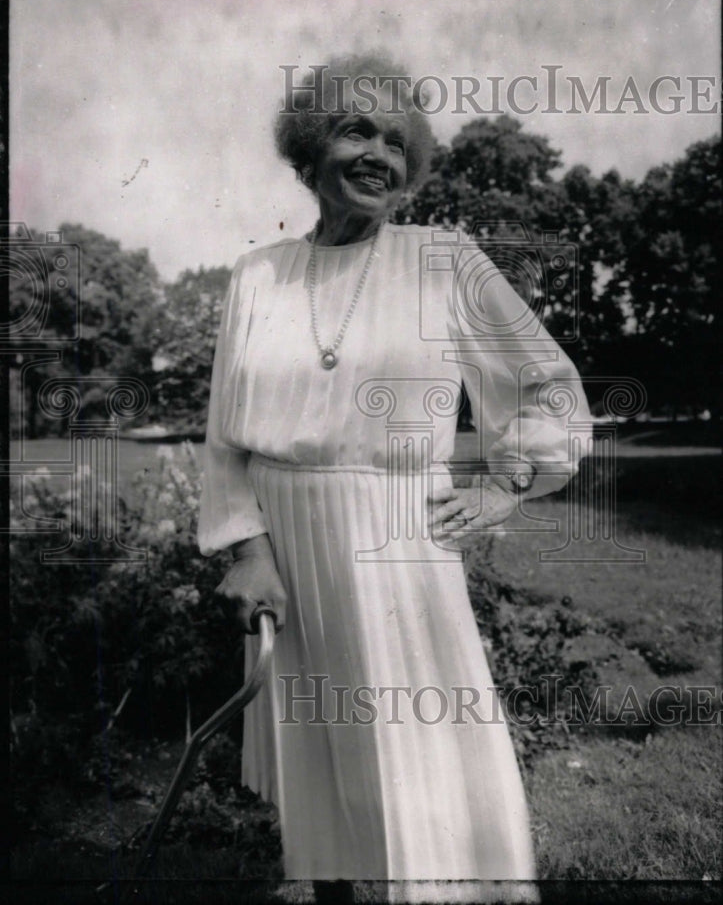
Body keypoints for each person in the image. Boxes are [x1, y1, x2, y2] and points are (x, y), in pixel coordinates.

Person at [198, 54, 592, 904]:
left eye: (394, 139)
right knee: (321, 773)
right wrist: (246, 550)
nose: (378, 153)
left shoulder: (443, 261)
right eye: (355, 130)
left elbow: (548, 386)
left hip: (396, 545)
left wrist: (505, 483)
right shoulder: (256, 275)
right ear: (309, 150)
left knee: (425, 774)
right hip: (286, 550)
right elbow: (225, 441)